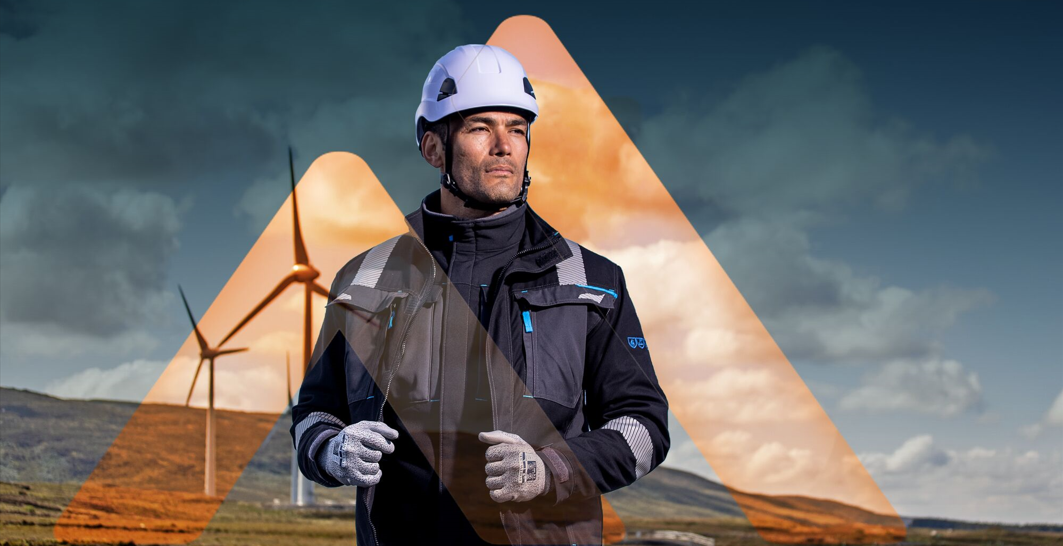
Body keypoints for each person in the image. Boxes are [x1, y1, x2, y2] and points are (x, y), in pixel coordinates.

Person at [290, 44, 670, 545]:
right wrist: (328, 450)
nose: (504, 146)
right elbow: (313, 411)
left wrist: (551, 468)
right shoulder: (366, 279)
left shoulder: (589, 281)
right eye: (479, 128)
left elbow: (644, 427)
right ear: (432, 148)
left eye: (517, 129)